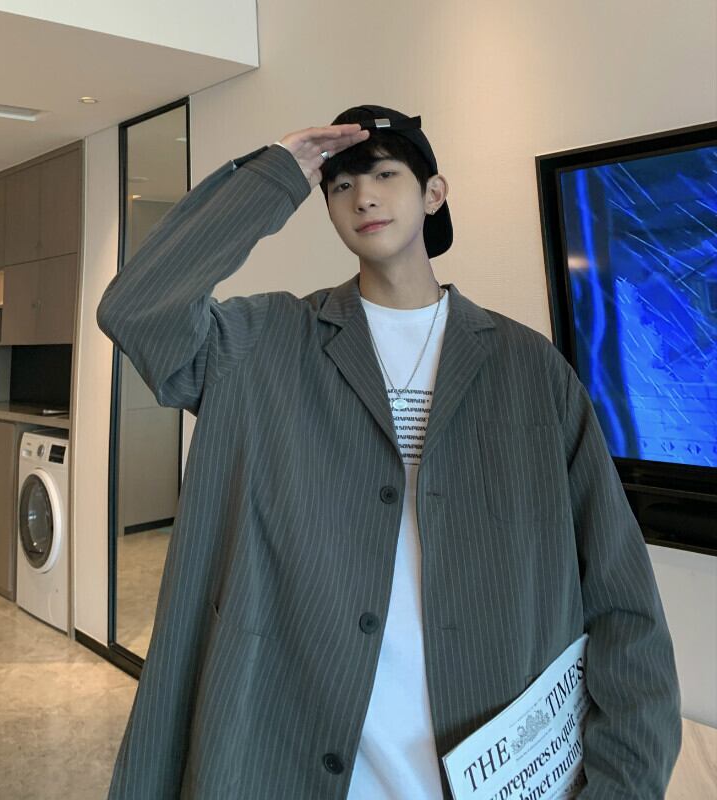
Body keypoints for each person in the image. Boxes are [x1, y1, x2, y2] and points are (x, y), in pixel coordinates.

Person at [96, 104, 682, 799]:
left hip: (492, 758)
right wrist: (277, 175)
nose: (363, 197)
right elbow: (138, 310)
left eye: (384, 174)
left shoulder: (529, 368)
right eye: (340, 185)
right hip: (290, 746)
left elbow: (621, 599)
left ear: (433, 193)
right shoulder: (264, 343)